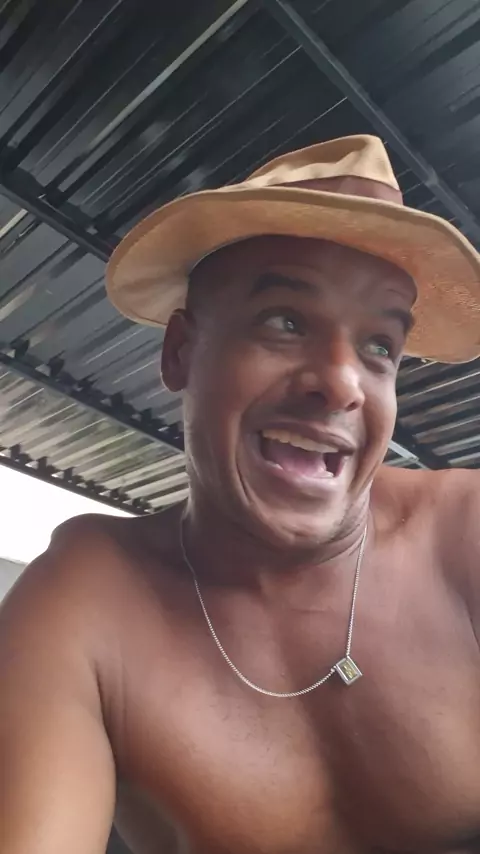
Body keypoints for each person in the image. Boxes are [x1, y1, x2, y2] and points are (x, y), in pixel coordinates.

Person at [2, 134, 480, 854]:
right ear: (181, 352)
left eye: (380, 345)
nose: (342, 382)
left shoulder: (466, 537)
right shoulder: (87, 600)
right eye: (285, 321)